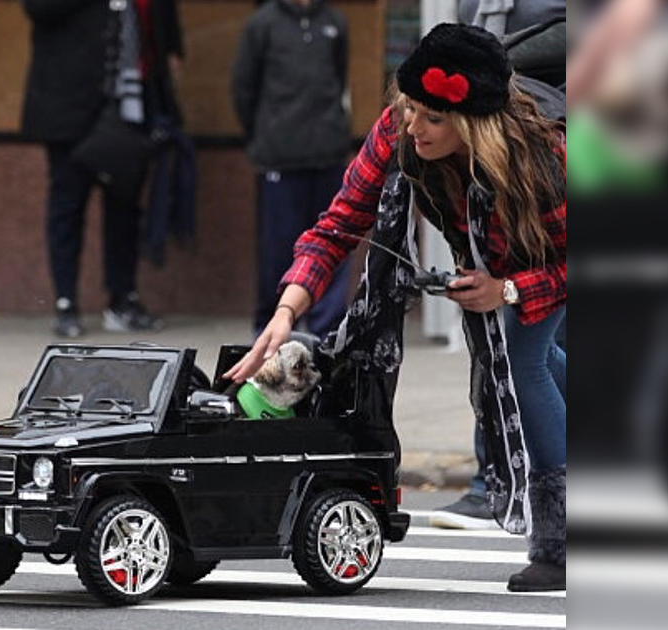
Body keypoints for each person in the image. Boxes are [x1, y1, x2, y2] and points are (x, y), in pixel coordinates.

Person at [224, 24, 566, 591]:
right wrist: (286, 311)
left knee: (524, 360)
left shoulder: (544, 157)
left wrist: (506, 291)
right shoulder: (399, 131)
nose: (414, 127)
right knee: (538, 363)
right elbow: (338, 226)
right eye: (411, 110)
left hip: (554, 252)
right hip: (497, 257)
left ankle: (560, 542)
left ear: (473, 126)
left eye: (433, 119)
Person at [431, 0, 567, 531]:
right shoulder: (475, 4)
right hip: (500, 166)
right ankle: (495, 481)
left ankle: (545, 512)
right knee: (513, 349)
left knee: (525, 352)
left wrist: (510, 288)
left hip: (558, 155)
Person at [21, 0, 184, 337]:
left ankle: (122, 298)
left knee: (124, 208)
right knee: (68, 205)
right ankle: (66, 301)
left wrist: (170, 58)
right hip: (68, 109)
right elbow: (37, 8)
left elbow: (163, 25)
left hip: (130, 108)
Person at [230, 0, 354, 339]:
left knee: (334, 240)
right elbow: (244, 88)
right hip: (279, 157)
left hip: (328, 153)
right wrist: (264, 137)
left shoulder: (334, 22)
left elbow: (339, 78)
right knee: (279, 249)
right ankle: (271, 330)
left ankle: (327, 334)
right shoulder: (263, 23)